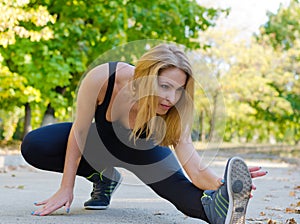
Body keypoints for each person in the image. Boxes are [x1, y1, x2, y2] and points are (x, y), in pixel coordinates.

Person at [21, 44, 267, 223]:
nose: (171, 98)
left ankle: (220, 208)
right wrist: (67, 186)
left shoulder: (175, 110)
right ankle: (103, 177)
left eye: (179, 90)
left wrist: (225, 187)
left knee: (188, 198)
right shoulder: (104, 78)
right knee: (35, 145)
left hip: (143, 151)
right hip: (98, 143)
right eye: (164, 86)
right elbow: (80, 130)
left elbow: (194, 168)